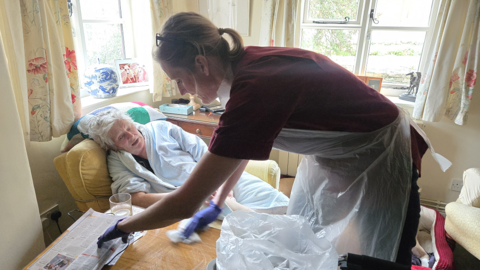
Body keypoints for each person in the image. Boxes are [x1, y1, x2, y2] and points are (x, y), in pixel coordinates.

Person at [97, 12, 447, 266]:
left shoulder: (254, 90)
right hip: (341, 154)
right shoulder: (244, 70)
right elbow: (238, 151)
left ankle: (416, 235)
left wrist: (121, 226)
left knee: (380, 250)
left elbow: (185, 203)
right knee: (319, 238)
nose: (180, 91)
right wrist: (219, 198)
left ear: (202, 64)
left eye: (178, 79)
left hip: (379, 153)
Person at [86, 108, 289, 219]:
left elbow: (206, 153)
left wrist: (218, 184)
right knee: (251, 220)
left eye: (129, 127)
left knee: (277, 202)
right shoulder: (117, 161)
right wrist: (183, 197)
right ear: (113, 146)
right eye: (122, 136)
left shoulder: (162, 129)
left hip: (218, 175)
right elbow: (136, 198)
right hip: (191, 198)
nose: (131, 135)